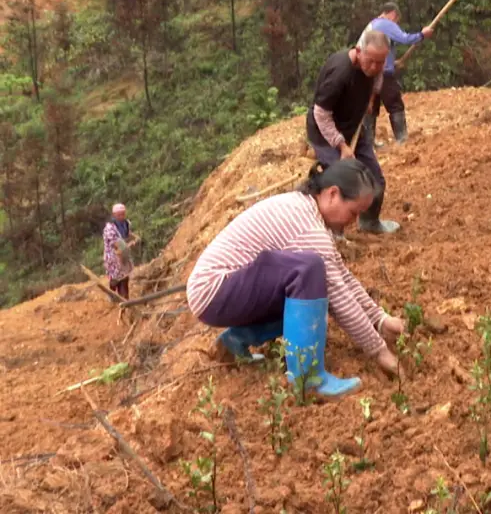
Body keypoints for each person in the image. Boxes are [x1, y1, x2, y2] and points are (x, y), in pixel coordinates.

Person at [185, 160, 406, 399]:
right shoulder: (308, 230)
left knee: (306, 299)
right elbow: (340, 297)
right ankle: (308, 379)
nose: (353, 221)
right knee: (309, 271)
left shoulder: (306, 209)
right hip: (215, 291)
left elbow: (343, 276)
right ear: (333, 194)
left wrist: (380, 320)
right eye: (353, 212)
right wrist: (379, 351)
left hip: (218, 291)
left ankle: (236, 341)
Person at [307, 29, 400, 234]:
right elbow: (320, 114)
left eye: (380, 62)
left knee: (374, 179)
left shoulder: (375, 67)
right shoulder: (341, 72)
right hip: (326, 134)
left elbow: (376, 81)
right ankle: (333, 235)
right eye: (371, 61)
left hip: (354, 127)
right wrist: (341, 145)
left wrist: (370, 100)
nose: (375, 67)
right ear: (358, 51)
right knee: (342, 187)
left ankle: (369, 222)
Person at [361, 2, 434, 146]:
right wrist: (422, 35)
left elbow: (377, 51)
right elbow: (404, 38)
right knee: (395, 103)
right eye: (396, 20)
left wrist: (392, 63)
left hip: (367, 72)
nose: (396, 24)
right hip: (382, 74)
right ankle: (402, 139)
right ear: (393, 14)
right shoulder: (386, 23)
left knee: (371, 107)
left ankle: (369, 144)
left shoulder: (374, 25)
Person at [102, 203, 139, 299]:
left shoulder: (126, 223)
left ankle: (124, 298)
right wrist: (127, 245)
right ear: (114, 215)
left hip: (123, 254)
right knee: (116, 278)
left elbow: (127, 233)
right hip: (114, 257)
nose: (121, 217)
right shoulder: (109, 228)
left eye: (123, 214)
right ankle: (112, 295)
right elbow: (115, 244)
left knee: (124, 277)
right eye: (119, 215)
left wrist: (134, 237)